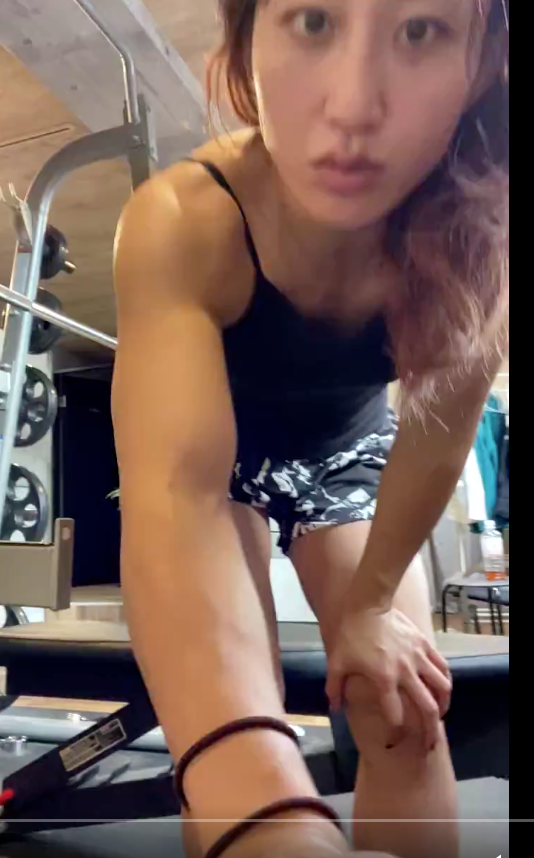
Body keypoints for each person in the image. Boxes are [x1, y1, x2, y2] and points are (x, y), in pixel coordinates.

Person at [112, 1, 509, 856]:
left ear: (481, 65)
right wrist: (255, 793)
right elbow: (179, 494)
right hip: (215, 469)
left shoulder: (483, 230)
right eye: (314, 21)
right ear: (247, 36)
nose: (354, 107)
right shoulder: (186, 219)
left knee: (401, 713)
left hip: (345, 454)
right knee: (242, 768)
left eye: (420, 31)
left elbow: (437, 438)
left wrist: (371, 604)